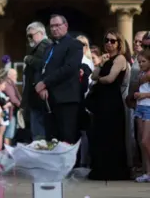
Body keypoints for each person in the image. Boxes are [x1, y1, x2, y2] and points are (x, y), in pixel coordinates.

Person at [88, 30, 130, 180]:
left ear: (119, 43)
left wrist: (99, 78)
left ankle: (114, 171)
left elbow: (110, 79)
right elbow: (93, 75)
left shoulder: (120, 59)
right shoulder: (106, 58)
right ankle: (100, 169)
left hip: (112, 101)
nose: (108, 44)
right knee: (100, 134)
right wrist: (100, 64)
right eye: (106, 40)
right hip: (101, 101)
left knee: (112, 134)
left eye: (113, 41)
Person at [35, 15, 83, 143]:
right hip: (48, 99)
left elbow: (69, 68)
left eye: (57, 25)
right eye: (52, 26)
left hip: (66, 98)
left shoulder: (74, 44)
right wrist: (39, 86)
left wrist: (45, 83)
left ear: (65, 26)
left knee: (67, 137)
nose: (54, 29)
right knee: (51, 138)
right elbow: (41, 68)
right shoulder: (49, 47)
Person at [23, 22, 52, 140]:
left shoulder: (45, 44)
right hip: (36, 97)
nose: (29, 39)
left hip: (39, 96)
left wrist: (28, 59)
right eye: (28, 36)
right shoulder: (40, 46)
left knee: (39, 135)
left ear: (40, 33)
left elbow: (43, 65)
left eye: (31, 35)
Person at [133, 49, 150, 182]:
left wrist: (143, 95)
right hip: (140, 107)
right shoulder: (141, 73)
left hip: (149, 107)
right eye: (139, 62)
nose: (141, 64)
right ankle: (146, 172)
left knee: (146, 141)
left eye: (144, 61)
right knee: (141, 142)